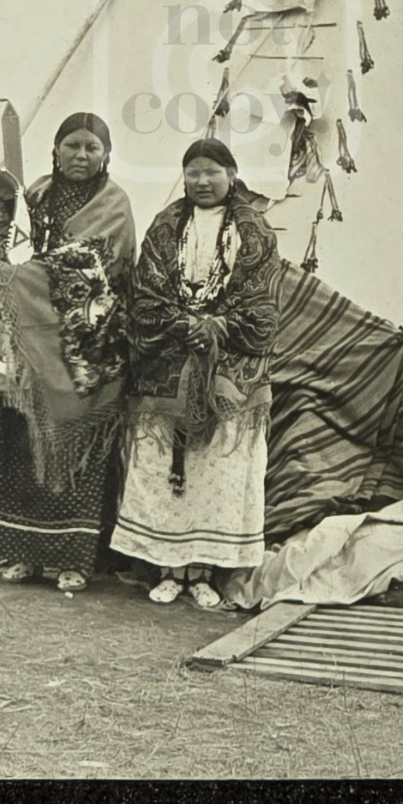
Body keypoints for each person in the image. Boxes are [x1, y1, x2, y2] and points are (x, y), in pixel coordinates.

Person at [0, 113, 135, 590]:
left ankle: (73, 558)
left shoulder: (114, 204)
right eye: (72, 145)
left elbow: (92, 266)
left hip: (82, 348)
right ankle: (21, 552)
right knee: (13, 438)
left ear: (106, 153)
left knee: (70, 447)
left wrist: (7, 277)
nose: (81, 155)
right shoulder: (32, 196)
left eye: (91, 147)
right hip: (19, 341)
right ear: (56, 149)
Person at [111, 138, 280, 608]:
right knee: (163, 470)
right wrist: (185, 324)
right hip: (167, 357)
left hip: (229, 362)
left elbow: (262, 304)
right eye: (193, 174)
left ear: (231, 173)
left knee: (217, 471)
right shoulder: (166, 225)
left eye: (212, 172)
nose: (202, 183)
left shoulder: (256, 231)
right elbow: (145, 294)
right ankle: (167, 569)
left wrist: (219, 326)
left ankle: (204, 572)